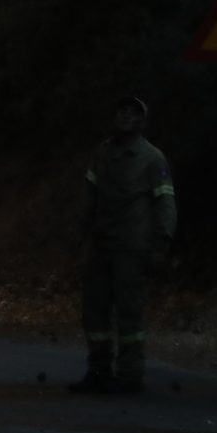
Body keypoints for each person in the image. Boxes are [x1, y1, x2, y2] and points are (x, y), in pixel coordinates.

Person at [70, 95, 177, 395]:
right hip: (102, 244)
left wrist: (161, 243)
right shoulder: (101, 154)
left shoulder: (152, 158)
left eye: (134, 112)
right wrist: (79, 234)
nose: (126, 116)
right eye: (122, 111)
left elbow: (165, 202)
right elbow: (88, 197)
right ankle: (99, 370)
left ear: (143, 122)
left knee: (129, 311)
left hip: (132, 247)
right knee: (94, 310)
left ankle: (130, 376)